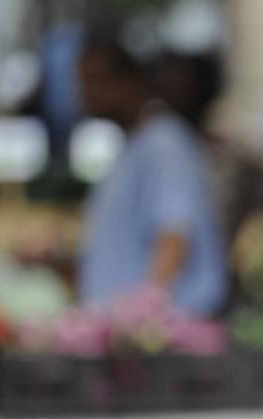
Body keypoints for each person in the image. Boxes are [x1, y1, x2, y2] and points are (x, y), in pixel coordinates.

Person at [75, 32, 226, 317]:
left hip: (157, 343)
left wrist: (146, 313)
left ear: (130, 82)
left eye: (95, 81)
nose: (85, 94)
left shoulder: (164, 144)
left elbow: (174, 234)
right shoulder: (132, 146)